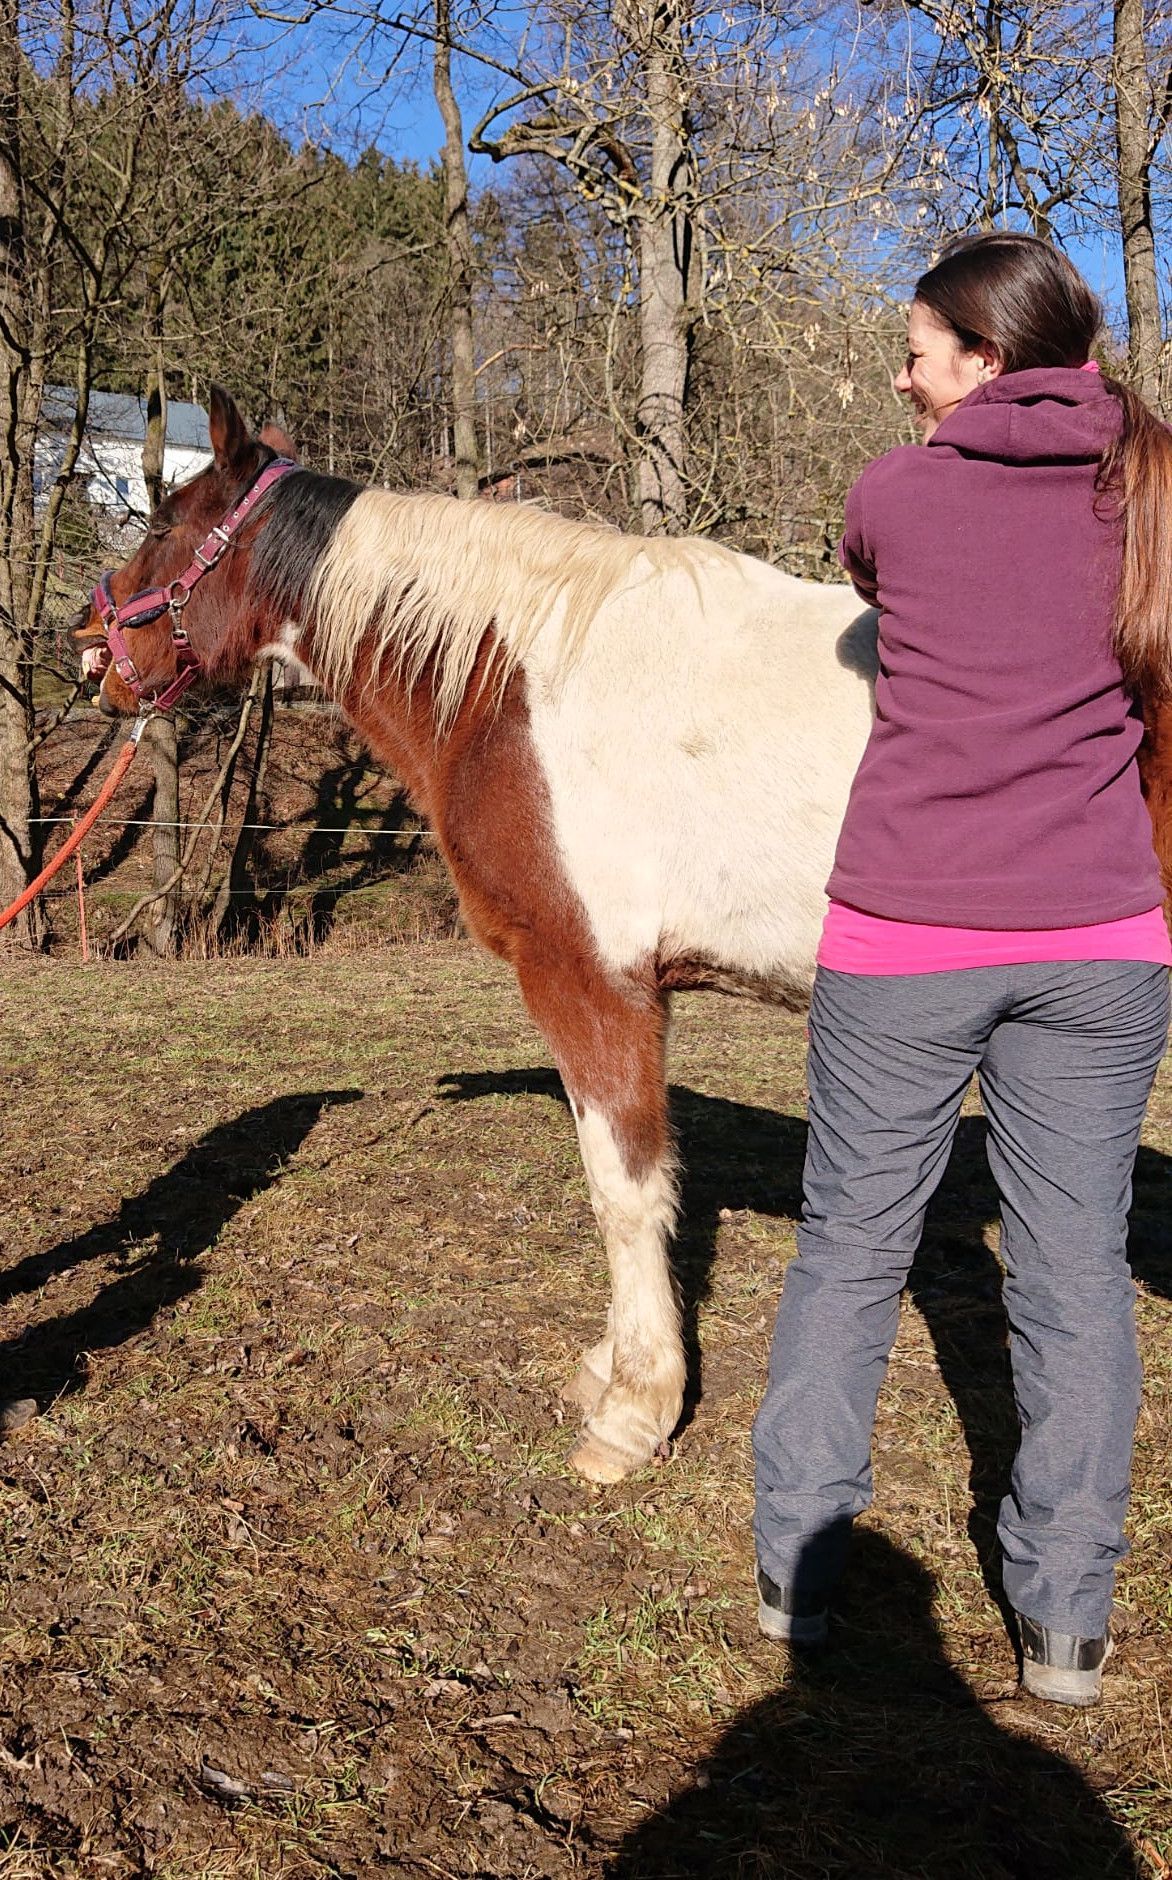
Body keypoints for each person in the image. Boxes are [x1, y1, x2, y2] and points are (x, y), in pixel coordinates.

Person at [751, 230, 1172, 1707]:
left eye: (918, 351)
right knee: (1075, 1274)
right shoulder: (1152, 494)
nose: (901, 375)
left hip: (907, 937)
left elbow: (876, 579)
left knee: (855, 1249)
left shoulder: (898, 490)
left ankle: (800, 1574)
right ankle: (1064, 1627)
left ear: (984, 362)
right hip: (1104, 943)